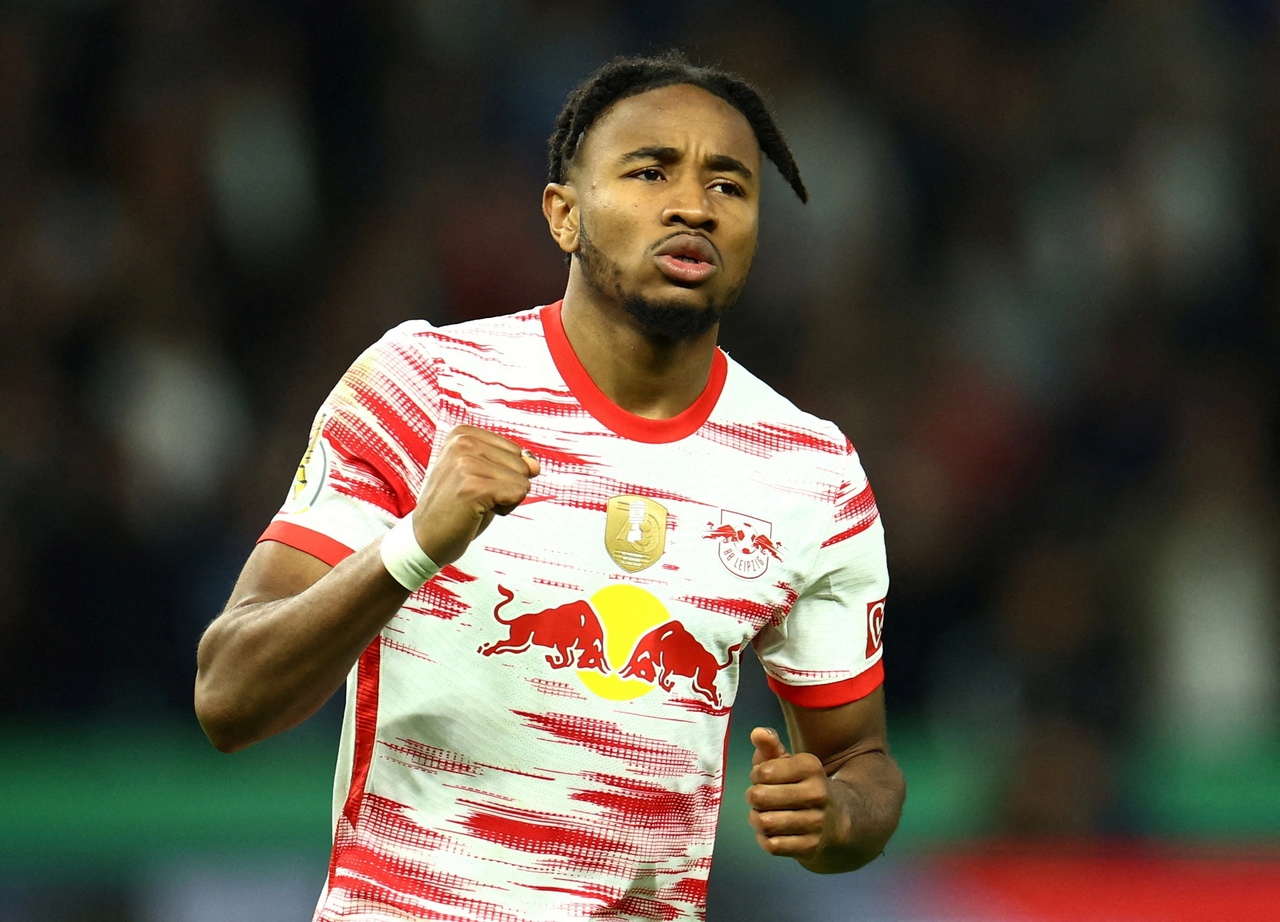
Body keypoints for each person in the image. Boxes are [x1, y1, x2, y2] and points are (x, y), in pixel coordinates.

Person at [195, 51, 905, 921]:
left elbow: (859, 761)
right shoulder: (424, 388)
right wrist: (414, 547)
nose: (694, 205)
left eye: (729, 185)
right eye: (650, 172)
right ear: (564, 215)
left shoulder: (811, 472)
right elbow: (228, 697)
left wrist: (836, 818)